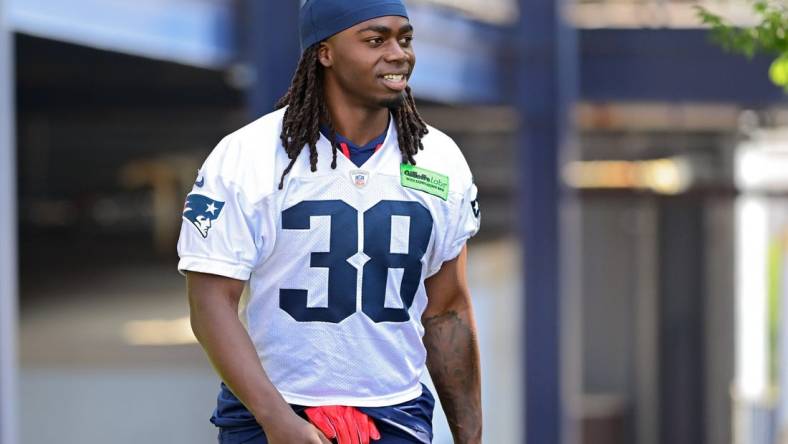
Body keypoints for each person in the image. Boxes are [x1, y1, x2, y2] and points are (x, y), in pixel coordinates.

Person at [177, 0, 482, 442]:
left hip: (396, 415)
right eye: (376, 40)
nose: (398, 53)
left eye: (405, 38)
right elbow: (210, 303)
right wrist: (277, 419)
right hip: (273, 412)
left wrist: (470, 437)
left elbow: (447, 310)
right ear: (325, 52)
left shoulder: (440, 159)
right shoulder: (248, 155)